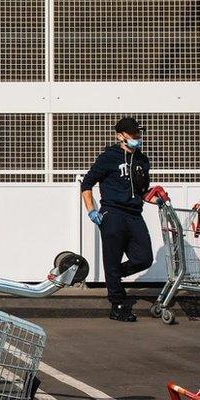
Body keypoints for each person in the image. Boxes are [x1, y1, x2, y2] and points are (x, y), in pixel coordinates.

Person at [80, 117, 153, 322]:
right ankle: (117, 305)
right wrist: (92, 210)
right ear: (120, 136)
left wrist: (157, 198)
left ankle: (115, 274)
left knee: (144, 257)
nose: (137, 138)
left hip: (134, 214)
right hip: (112, 213)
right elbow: (87, 184)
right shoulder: (108, 157)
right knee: (112, 257)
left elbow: (143, 190)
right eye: (133, 135)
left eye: (139, 134)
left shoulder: (142, 160)